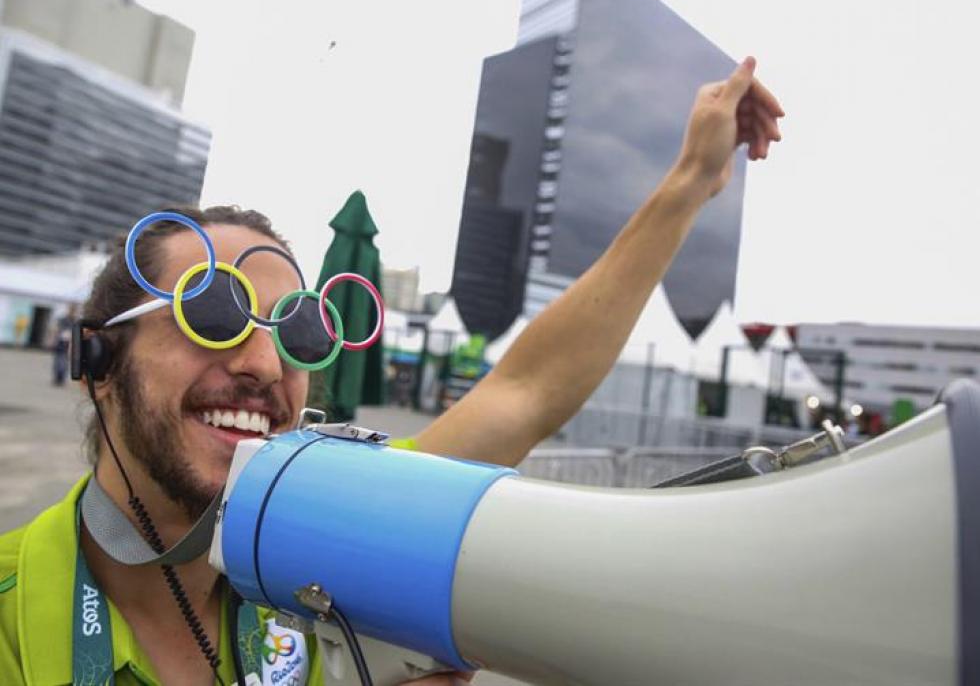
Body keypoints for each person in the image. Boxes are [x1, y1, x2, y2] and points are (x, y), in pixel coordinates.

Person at [0, 56, 783, 685]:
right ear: (97, 358)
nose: (266, 363)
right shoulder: (11, 615)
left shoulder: (332, 534)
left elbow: (526, 390)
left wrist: (689, 183)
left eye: (301, 330)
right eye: (214, 312)